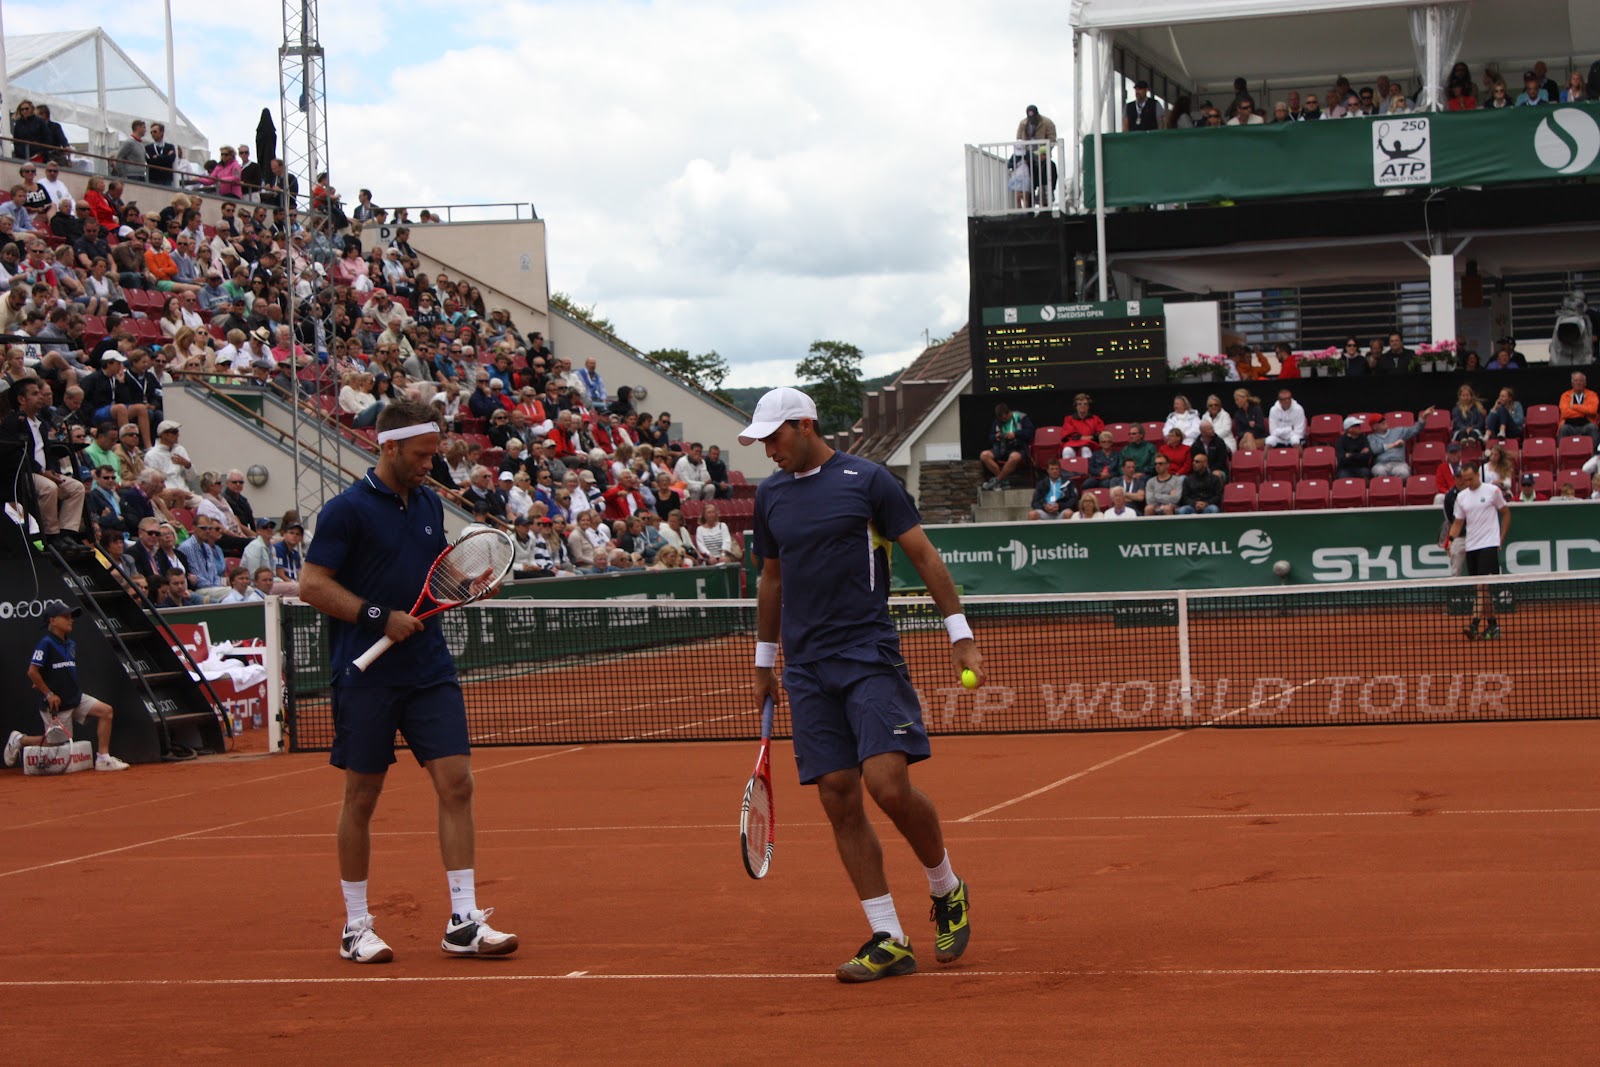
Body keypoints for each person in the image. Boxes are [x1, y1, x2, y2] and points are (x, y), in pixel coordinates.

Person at [743, 387, 979, 983]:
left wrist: (960, 635)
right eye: (762, 440)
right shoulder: (769, 495)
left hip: (867, 653)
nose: (767, 449)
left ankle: (946, 886)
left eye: (774, 437)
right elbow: (772, 580)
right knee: (837, 795)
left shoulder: (868, 480)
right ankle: (887, 936)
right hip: (806, 668)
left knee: (887, 785)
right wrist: (763, 663)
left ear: (805, 425)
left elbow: (924, 556)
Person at [298, 398, 518, 966]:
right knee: (363, 797)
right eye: (421, 455)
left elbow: (436, 573)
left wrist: (469, 581)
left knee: (458, 784)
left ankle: (464, 921)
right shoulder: (345, 511)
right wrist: (378, 616)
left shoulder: (426, 503)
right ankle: (354, 926)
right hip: (365, 675)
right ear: (388, 446)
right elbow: (313, 586)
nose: (429, 465)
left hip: (428, 669)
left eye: (434, 454)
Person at [5, 600, 128, 771]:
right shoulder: (46, 643)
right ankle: (20, 740)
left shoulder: (71, 644)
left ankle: (103, 758)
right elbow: (32, 672)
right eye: (66, 617)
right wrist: (48, 693)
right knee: (54, 746)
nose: (71, 620)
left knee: (106, 711)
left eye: (71, 617)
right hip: (56, 705)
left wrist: (45, 682)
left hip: (75, 698)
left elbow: (58, 671)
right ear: (53, 621)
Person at [2, 377, 87, 551]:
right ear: (21, 399)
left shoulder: (41, 424)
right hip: (25, 474)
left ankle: (67, 533)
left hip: (44, 472)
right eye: (34, 394)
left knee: (76, 487)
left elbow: (46, 453)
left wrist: (51, 470)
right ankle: (51, 536)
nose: (41, 397)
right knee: (49, 488)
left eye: (40, 393)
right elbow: (18, 454)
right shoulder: (14, 423)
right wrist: (41, 471)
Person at [1448, 460, 1511, 640]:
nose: (1468, 483)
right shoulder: (1462, 497)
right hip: (1472, 546)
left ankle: (1474, 624)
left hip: (1489, 544)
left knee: (1482, 586)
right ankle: (1493, 626)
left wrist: (1501, 538)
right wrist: (1450, 540)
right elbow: (1458, 522)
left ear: (1477, 475)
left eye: (1470, 479)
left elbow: (1506, 513)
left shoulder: (1493, 491)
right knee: (1483, 590)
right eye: (1465, 480)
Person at [979, 402, 1033, 490]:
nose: (1004, 420)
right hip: (1001, 447)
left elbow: (1030, 432)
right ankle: (1003, 481)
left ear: (1009, 413)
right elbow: (991, 436)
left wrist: (1015, 434)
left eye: (1005, 418)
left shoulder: (1021, 417)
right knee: (984, 455)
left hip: (1017, 447)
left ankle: (997, 480)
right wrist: (996, 437)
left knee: (1014, 457)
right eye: (1001, 419)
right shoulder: (997, 421)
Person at [1369, 410, 1431, 478]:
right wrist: (1393, 445)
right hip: (1381, 464)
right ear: (1374, 427)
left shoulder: (1398, 431)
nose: (1384, 421)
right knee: (1379, 471)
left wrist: (1423, 418)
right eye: (1380, 421)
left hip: (1399, 464)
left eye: (1383, 419)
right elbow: (1374, 450)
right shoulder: (1371, 437)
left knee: (1404, 473)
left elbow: (1415, 429)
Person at [1558, 371, 1599, 446]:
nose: (1578, 383)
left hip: (1587, 424)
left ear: (1585, 383)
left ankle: (1595, 455)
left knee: (1592, 427)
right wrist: (1584, 412)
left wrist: (1573, 406)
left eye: (1581, 381)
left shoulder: (1592, 395)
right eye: (1576, 381)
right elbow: (1565, 413)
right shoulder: (1565, 395)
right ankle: (1562, 455)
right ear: (1572, 383)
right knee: (1563, 428)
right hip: (1569, 425)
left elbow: (1592, 410)